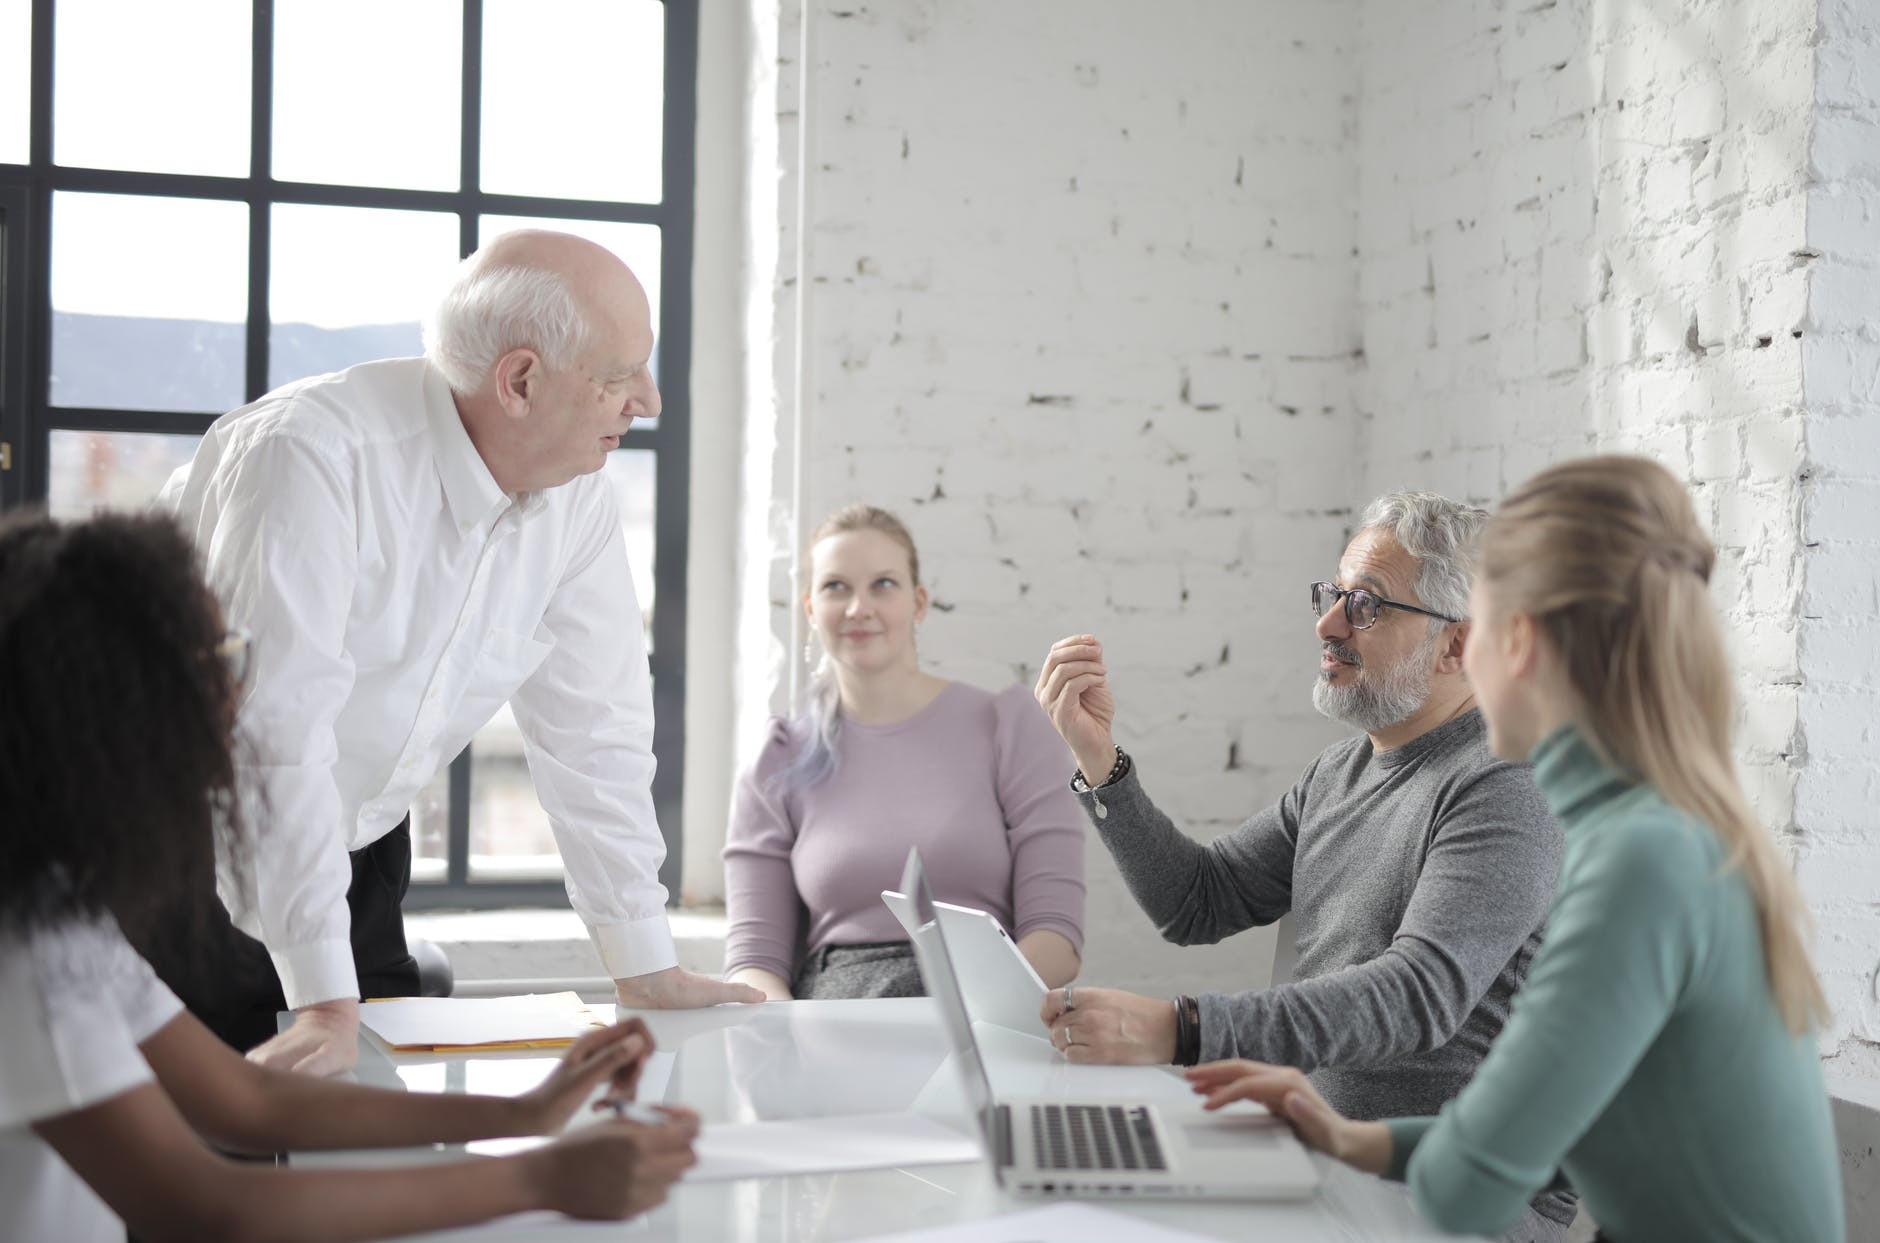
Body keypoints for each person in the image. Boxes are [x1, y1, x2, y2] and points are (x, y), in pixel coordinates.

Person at [1186, 456, 1845, 1241]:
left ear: (1517, 642)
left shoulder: (1638, 864)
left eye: (1477, 630)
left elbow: (1470, 1185)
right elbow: (1556, 1133)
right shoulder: (1663, 832)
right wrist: (1344, 1136)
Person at [0, 510, 700, 1243]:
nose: (239, 698)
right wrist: (539, 1177)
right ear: (110, 708)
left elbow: (244, 1101)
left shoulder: (55, 909)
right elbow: (207, 1206)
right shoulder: (28, 959)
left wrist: (525, 1112)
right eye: (226, 661)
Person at [158, 230, 761, 1076]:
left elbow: (598, 733)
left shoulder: (575, 492)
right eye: (620, 375)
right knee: (204, 1161)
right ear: (520, 381)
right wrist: (328, 1003)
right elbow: (272, 743)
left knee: (380, 1137)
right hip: (182, 844)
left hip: (359, 844)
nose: (649, 400)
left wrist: (646, 966)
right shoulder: (310, 456)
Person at [1034, 491, 1572, 1242]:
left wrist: (1183, 1029)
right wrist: (1101, 765)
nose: (1327, 624)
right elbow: (1195, 900)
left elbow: (1419, 995)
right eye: (1335, 596)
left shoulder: (1507, 782)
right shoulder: (1340, 771)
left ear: (1458, 645)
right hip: (1322, 1152)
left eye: (1368, 606)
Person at [722, 504, 1085, 1000]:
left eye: (883, 585)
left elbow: (1057, 940)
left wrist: (964, 1014)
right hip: (835, 1019)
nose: (858, 608)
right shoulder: (779, 756)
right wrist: (791, 1043)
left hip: (985, 1007)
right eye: (836, 587)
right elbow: (754, 961)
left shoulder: (1008, 727)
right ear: (811, 610)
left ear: (918, 603)